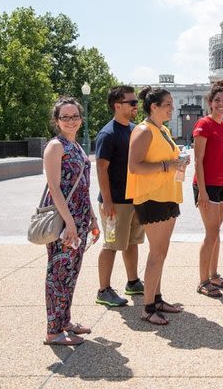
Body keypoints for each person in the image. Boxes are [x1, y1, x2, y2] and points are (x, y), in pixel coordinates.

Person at [127, 86, 189, 325]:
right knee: (156, 253)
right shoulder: (143, 131)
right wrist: (168, 165)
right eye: (168, 105)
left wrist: (178, 162)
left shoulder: (161, 129)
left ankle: (157, 298)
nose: (172, 109)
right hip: (151, 197)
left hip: (167, 194)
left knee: (161, 253)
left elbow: (166, 160)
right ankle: (148, 307)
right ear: (154, 107)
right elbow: (135, 166)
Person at [42, 96, 100, 346]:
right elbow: (54, 188)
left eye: (75, 116)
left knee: (70, 273)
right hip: (63, 220)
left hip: (79, 218)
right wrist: (70, 223)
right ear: (57, 121)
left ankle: (64, 321)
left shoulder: (76, 146)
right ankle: (53, 331)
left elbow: (83, 187)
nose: (71, 121)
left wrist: (92, 218)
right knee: (57, 273)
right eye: (65, 117)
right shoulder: (56, 146)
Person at [94, 86, 145, 308]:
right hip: (115, 201)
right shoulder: (108, 133)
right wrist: (107, 200)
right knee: (112, 244)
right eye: (131, 102)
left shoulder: (134, 130)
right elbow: (101, 168)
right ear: (117, 106)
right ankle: (103, 289)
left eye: (135, 102)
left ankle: (132, 282)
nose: (136, 106)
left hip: (134, 198)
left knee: (132, 242)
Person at [193, 80, 223, 298]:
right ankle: (203, 281)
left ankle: (214, 273)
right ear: (210, 103)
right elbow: (198, 160)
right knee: (211, 233)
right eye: (217, 100)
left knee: (217, 233)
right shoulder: (204, 124)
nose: (221, 104)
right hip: (207, 185)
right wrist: (202, 191)